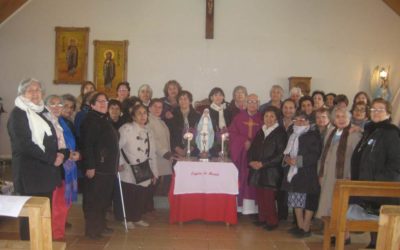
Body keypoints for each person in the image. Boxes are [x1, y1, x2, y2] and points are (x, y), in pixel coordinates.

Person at [7, 78, 64, 240]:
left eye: (37, 90)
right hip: (29, 175)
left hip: (45, 174)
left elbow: (53, 139)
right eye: (30, 90)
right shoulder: (18, 114)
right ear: (22, 94)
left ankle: (41, 244)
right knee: (30, 219)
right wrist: (51, 158)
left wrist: (61, 154)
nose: (34, 93)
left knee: (43, 216)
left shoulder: (42, 112)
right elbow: (24, 145)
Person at [351, 98, 400, 249]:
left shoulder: (390, 133)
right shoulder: (371, 130)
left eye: (380, 109)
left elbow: (396, 161)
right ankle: (374, 242)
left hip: (381, 185)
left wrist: (379, 181)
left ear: (388, 113)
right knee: (372, 217)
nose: (376, 112)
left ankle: (381, 244)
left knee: (381, 217)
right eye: (373, 110)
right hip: (367, 184)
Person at [316, 108, 361, 245]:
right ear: (333, 119)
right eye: (338, 116)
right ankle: (332, 234)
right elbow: (324, 153)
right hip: (327, 175)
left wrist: (350, 177)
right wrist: (320, 172)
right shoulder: (331, 131)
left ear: (349, 118)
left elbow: (356, 160)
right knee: (329, 206)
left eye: (343, 116)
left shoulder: (355, 135)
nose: (340, 119)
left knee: (341, 207)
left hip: (343, 176)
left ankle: (345, 236)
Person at [80, 92, 119, 239]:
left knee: (103, 199)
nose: (104, 104)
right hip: (97, 168)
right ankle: (92, 230)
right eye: (100, 101)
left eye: (105, 101)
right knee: (94, 200)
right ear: (92, 105)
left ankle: (101, 226)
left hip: (106, 168)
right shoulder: (90, 120)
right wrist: (90, 166)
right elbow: (87, 145)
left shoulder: (103, 119)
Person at [44, 95, 80, 240]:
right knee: (55, 204)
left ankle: (58, 233)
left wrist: (77, 154)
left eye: (61, 105)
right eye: (56, 105)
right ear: (45, 105)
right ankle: (53, 235)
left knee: (63, 204)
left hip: (68, 168)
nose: (59, 108)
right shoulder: (44, 122)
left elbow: (73, 144)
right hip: (54, 169)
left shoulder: (65, 123)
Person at [281, 111, 322, 238]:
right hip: (293, 172)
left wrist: (297, 161)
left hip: (307, 172)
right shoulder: (292, 134)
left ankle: (306, 227)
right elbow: (286, 151)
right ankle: (299, 226)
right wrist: (287, 159)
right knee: (296, 199)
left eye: (303, 120)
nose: (299, 122)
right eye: (297, 120)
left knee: (308, 200)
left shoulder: (313, 135)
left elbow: (315, 154)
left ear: (308, 121)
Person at [119, 104, 159, 229]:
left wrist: (154, 171)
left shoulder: (148, 131)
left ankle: (137, 217)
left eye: (144, 113)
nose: (143, 116)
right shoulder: (126, 129)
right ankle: (128, 218)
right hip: (129, 167)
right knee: (129, 194)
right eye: (139, 113)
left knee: (141, 195)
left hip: (144, 168)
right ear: (133, 117)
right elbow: (117, 147)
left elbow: (152, 152)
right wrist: (119, 163)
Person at [248, 106, 287, 230]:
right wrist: (251, 161)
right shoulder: (261, 131)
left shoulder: (280, 132)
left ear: (276, 118)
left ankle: (272, 221)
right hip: (258, 169)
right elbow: (252, 149)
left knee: (269, 198)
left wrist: (263, 164)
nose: (268, 119)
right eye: (266, 116)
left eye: (272, 116)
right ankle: (262, 218)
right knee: (260, 196)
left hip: (271, 171)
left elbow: (281, 154)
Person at [229, 94, 262, 214]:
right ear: (246, 103)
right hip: (241, 155)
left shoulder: (262, 118)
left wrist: (253, 144)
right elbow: (232, 133)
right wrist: (244, 141)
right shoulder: (238, 117)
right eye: (250, 101)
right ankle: (240, 207)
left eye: (255, 102)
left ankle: (254, 209)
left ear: (258, 104)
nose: (252, 104)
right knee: (242, 178)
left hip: (256, 156)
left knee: (254, 180)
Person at [147, 99, 173, 195]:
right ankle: (147, 206)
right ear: (149, 108)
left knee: (157, 184)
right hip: (156, 157)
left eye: (160, 107)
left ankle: (150, 206)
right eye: (155, 106)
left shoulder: (160, 121)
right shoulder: (148, 121)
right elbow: (153, 140)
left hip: (163, 157)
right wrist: (165, 153)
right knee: (153, 184)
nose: (158, 109)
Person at [167, 90, 201, 158]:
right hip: (176, 151)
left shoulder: (198, 116)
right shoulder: (171, 116)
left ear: (190, 101)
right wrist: (177, 149)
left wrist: (191, 147)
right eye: (180, 99)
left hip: (194, 150)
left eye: (185, 99)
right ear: (178, 102)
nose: (183, 101)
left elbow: (200, 134)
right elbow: (168, 134)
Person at [208, 87, 232, 157]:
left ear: (223, 97)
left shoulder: (228, 110)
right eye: (215, 95)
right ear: (211, 98)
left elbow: (232, 126)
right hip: (213, 141)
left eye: (220, 95)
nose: (218, 97)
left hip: (228, 140)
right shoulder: (207, 111)